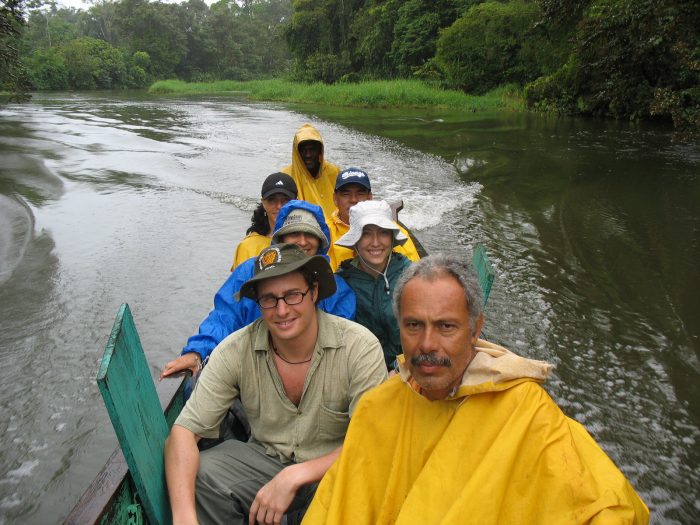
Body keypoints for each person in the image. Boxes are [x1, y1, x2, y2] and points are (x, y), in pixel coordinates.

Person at [303, 254, 650, 524]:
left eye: (446, 326)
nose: (427, 344)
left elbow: (606, 506)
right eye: (413, 325)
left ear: (475, 329)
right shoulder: (377, 408)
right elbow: (337, 506)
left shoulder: (524, 410)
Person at [165, 243, 387, 525]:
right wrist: (184, 517)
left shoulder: (359, 347)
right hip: (265, 460)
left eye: (293, 295)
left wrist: (297, 474)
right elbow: (184, 432)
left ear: (314, 293)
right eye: (269, 299)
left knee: (366, 484)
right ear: (258, 303)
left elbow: (372, 443)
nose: (281, 310)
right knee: (201, 473)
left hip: (336, 470)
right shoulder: (236, 349)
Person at [160, 200, 355, 379]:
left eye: (310, 235)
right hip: (250, 372)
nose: (302, 242)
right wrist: (197, 352)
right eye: (294, 233)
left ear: (321, 242)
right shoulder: (249, 272)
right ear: (280, 240)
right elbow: (225, 316)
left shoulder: (335, 286)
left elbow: (340, 342)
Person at [335, 200, 412, 370]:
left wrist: (401, 369)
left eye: (383, 233)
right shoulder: (342, 284)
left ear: (391, 238)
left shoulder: (412, 277)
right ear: (355, 240)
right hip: (362, 371)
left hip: (409, 369)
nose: (375, 242)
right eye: (366, 233)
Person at [328, 167, 420, 270]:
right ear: (335, 199)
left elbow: (415, 273)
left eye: (360, 193)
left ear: (369, 198)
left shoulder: (396, 232)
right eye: (346, 194)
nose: (353, 200)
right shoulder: (325, 234)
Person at [231, 172, 297, 270]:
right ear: (263, 203)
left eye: (285, 200)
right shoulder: (247, 246)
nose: (279, 206)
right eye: (272, 200)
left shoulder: (305, 242)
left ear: (297, 202)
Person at [280, 124, 340, 220]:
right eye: (303, 150)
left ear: (320, 151)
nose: (308, 155)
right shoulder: (286, 176)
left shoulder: (334, 172)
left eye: (312, 150)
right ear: (297, 153)